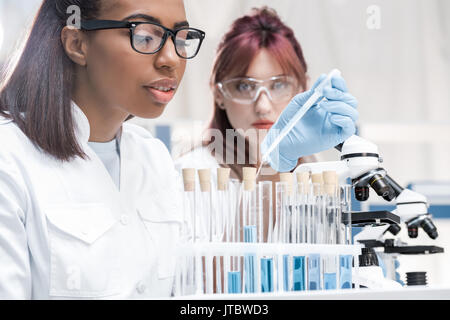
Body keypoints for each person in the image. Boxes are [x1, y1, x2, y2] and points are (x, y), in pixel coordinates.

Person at [0, 1, 357, 299]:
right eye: (145, 35)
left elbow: (203, 289)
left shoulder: (151, 159)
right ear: (77, 43)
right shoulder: (11, 160)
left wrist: (276, 159)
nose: (171, 58)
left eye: (180, 37)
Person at [175, 7, 358, 184]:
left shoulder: (313, 166)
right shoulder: (191, 173)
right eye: (244, 86)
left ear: (303, 89)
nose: (263, 107)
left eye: (278, 85)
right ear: (218, 94)